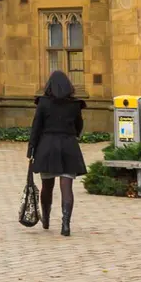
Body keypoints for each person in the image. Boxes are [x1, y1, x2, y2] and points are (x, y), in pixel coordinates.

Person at [27, 68, 87, 236]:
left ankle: (46, 218)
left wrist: (31, 149)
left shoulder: (43, 103)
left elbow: (36, 128)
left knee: (47, 186)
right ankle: (65, 224)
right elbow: (78, 126)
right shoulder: (75, 105)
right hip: (68, 146)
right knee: (66, 187)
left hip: (47, 146)